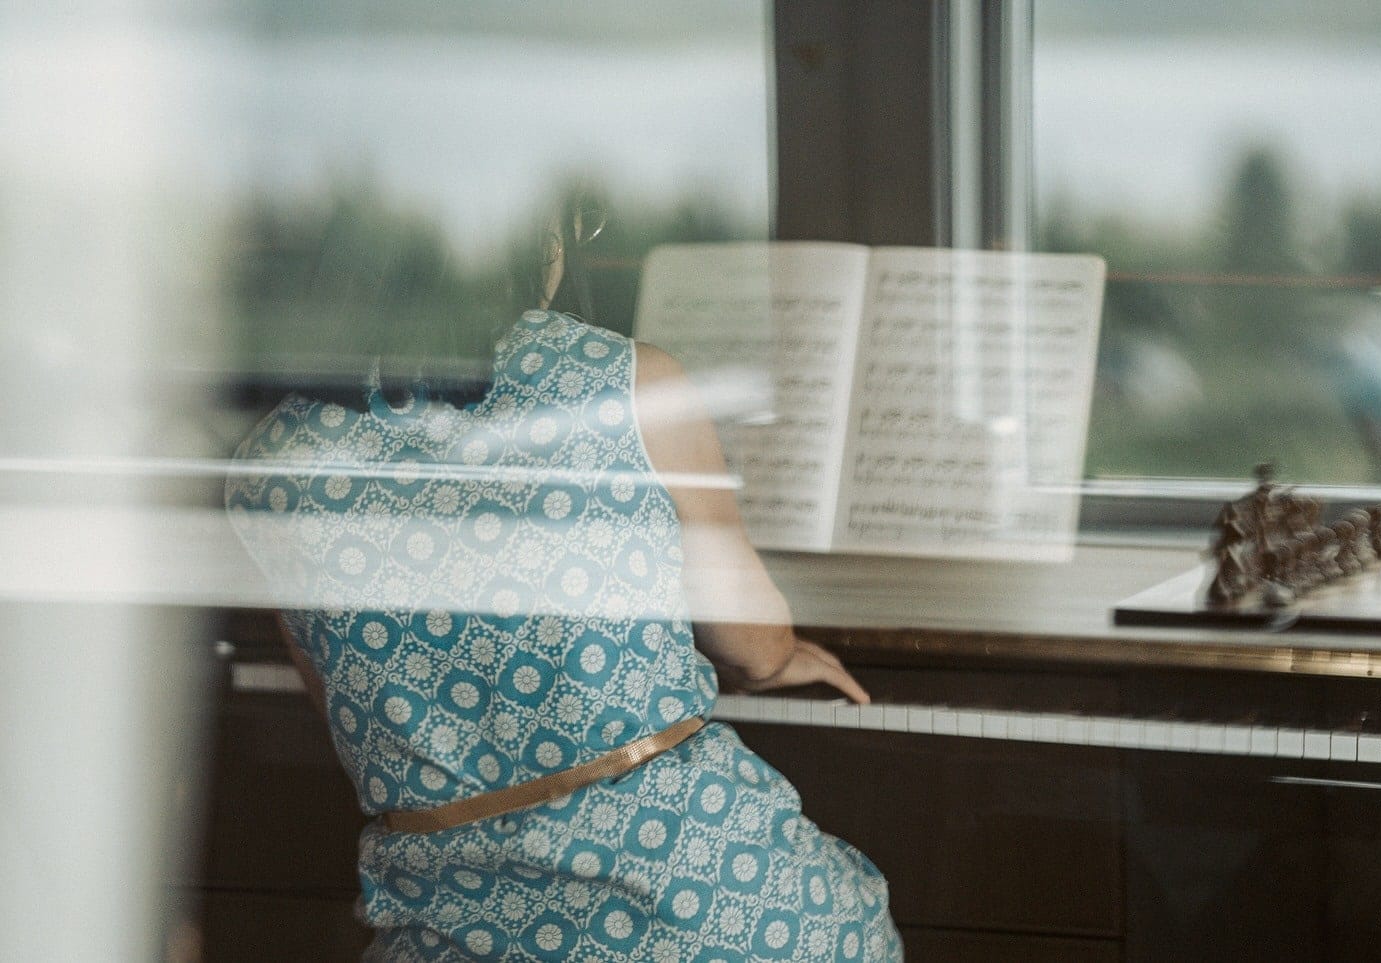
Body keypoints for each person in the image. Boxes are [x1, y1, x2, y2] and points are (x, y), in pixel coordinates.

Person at [225, 195, 903, 961]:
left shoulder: (269, 466)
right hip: (707, 909)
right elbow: (748, 644)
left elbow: (361, 725)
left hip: (455, 925)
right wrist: (782, 657)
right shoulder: (631, 382)